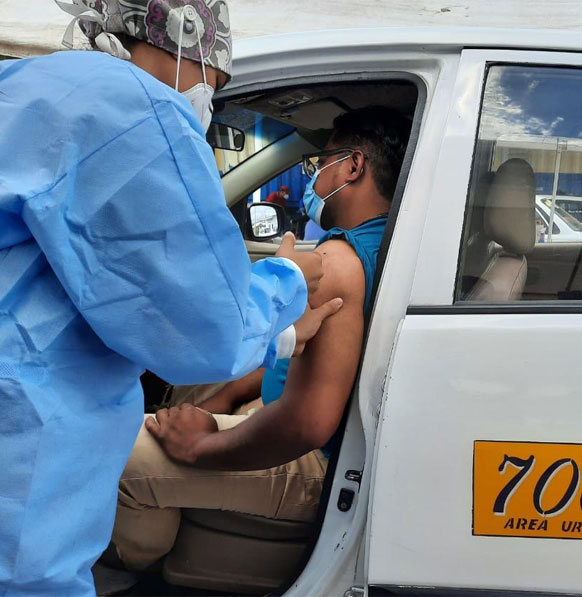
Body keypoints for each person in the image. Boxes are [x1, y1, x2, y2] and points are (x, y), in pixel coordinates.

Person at [0, 1, 341, 594]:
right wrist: (286, 283)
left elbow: (84, 279)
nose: (209, 101)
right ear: (189, 46)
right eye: (218, 85)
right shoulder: (133, 112)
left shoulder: (25, 87)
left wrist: (274, 333)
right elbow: (200, 328)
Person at [110, 106, 411, 572]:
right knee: (195, 393)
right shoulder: (383, 242)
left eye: (320, 163)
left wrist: (201, 447)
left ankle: (125, 571)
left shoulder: (339, 262)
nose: (313, 178)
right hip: (292, 422)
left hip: (314, 459)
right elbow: (311, 362)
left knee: (118, 457)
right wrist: (230, 394)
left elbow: (308, 424)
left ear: (353, 166)